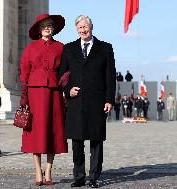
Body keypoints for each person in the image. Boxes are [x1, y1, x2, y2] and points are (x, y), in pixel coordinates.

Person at [58, 15, 116, 188]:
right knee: (77, 140)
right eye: (80, 28)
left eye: (85, 27)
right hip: (76, 102)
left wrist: (109, 100)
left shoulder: (105, 48)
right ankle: (79, 176)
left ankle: (94, 177)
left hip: (97, 102)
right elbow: (61, 74)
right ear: (77, 29)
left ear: (91, 27)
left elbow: (110, 77)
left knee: (96, 140)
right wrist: (68, 90)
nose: (83, 30)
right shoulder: (69, 49)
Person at [19, 13, 68, 186]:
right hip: (35, 94)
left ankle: (48, 171)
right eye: (44, 25)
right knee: (37, 132)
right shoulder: (30, 48)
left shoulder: (61, 47)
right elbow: (24, 73)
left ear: (53, 29)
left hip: (54, 93)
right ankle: (37, 170)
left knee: (52, 131)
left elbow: (67, 68)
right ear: (39, 29)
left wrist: (64, 79)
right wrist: (24, 97)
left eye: (50, 25)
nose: (48, 28)